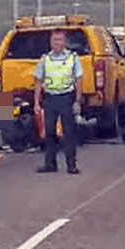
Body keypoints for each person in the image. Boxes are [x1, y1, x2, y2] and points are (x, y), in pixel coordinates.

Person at [34, 28, 83, 174]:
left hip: (66, 97)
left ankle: (71, 165)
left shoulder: (73, 58)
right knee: (49, 132)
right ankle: (50, 164)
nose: (56, 43)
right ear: (50, 42)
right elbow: (37, 81)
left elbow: (78, 80)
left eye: (59, 40)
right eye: (54, 40)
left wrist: (77, 101)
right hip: (50, 98)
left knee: (69, 132)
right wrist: (36, 102)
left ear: (65, 42)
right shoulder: (45, 59)